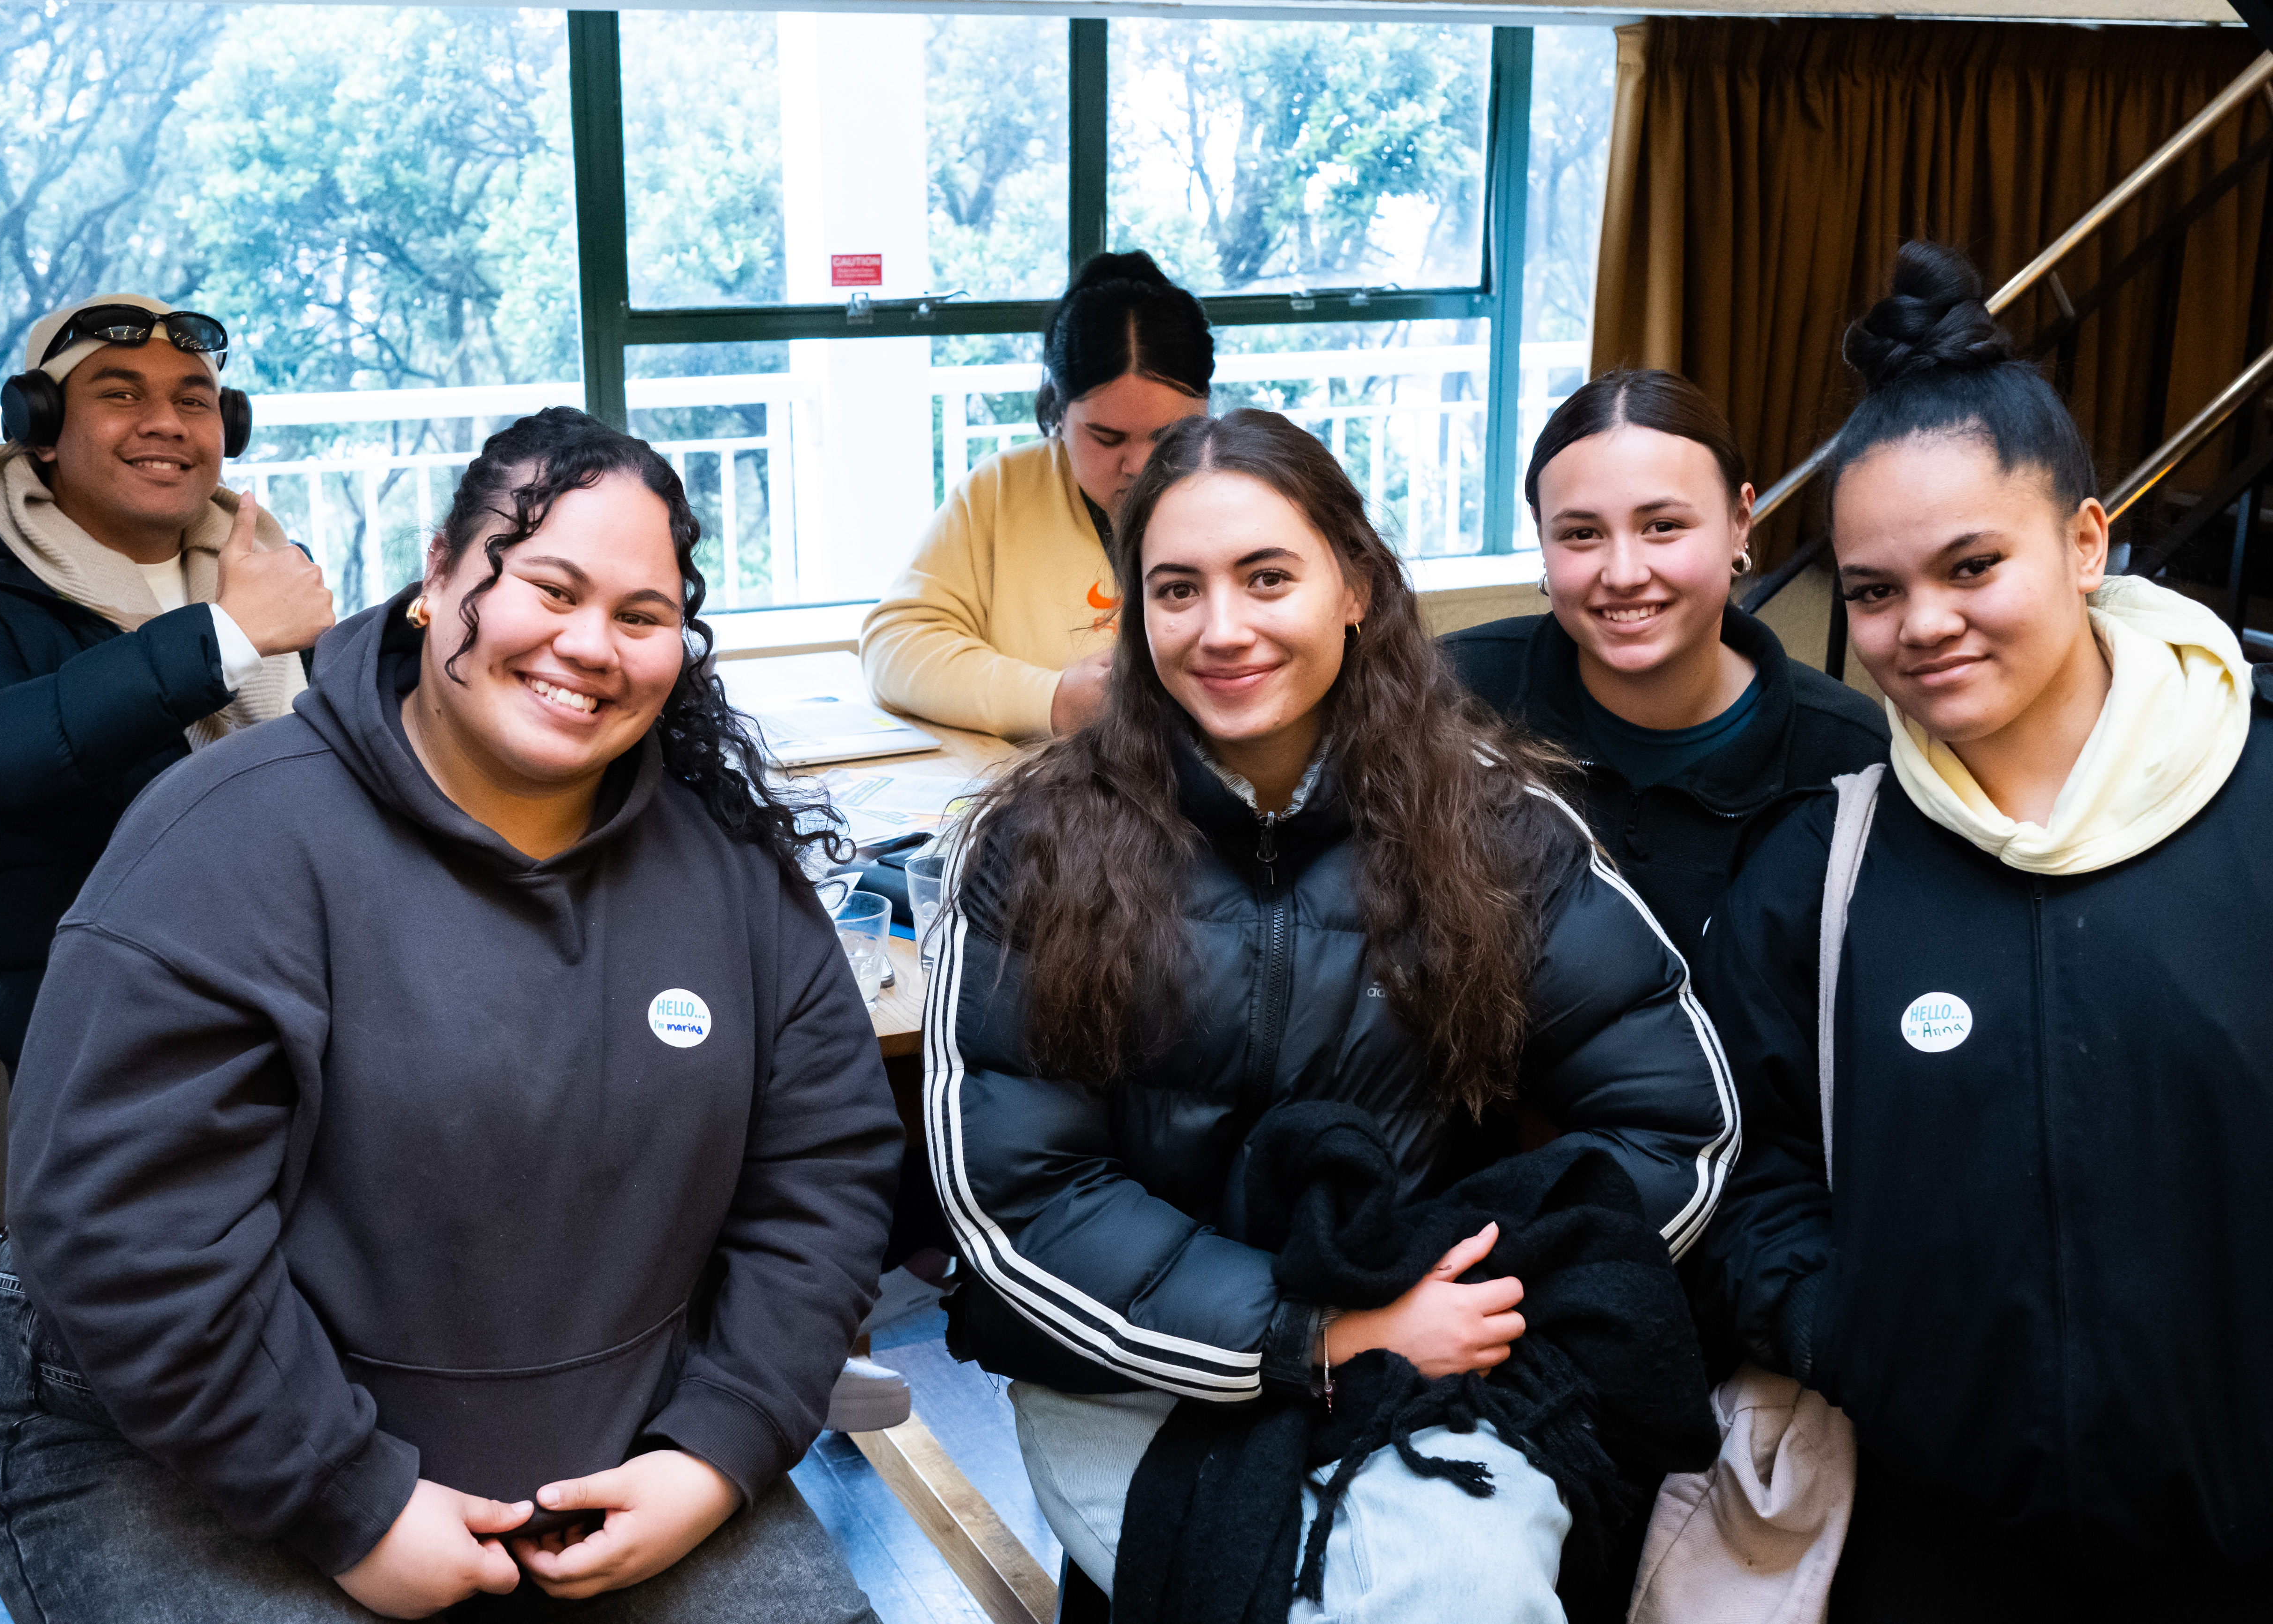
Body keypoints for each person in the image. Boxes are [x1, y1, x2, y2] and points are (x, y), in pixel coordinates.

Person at [0, 407, 903, 1622]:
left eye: (641, 614)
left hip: (607, 1464)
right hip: (189, 1449)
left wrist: (714, 1451)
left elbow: (820, 1178)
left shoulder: (726, 871)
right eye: (548, 586)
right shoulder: (227, 840)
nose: (590, 645)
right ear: (437, 576)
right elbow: (133, 1234)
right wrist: (347, 1498)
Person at [926, 409, 1740, 1617]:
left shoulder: (1497, 826)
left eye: (1268, 576)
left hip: (1427, 1344)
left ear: (1355, 584)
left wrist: (1452, 1290)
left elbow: (1676, 1124)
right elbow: (1022, 1192)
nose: (1223, 628)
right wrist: (1309, 1332)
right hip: (1129, 1368)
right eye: (1176, 588)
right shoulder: (1036, 841)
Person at [1699, 242, 2273, 1616]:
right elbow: (1740, 1165)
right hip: (1928, 1554)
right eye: (1874, 590)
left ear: (2085, 541)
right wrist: (1858, 1334)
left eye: (1970, 565)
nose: (1921, 626)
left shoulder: (2254, 808)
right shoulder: (1816, 868)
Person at [0, 292, 333, 1078]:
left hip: (310, 988)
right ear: (41, 428)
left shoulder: (268, 568)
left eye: (193, 400)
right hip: (112, 1031)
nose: (165, 421)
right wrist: (226, 637)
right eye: (121, 394)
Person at [1442, 371, 1886, 963]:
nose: (1622, 573)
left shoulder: (1846, 757)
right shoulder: (1450, 693)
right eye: (1580, 533)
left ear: (1739, 522)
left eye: (1663, 527)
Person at [860, 250, 1212, 740]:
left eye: (1166, 435)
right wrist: (1054, 699)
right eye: (1105, 438)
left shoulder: (1246, 498)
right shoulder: (1003, 491)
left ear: (1207, 408)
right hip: (1055, 803)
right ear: (1059, 412)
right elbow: (894, 648)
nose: (1138, 465)